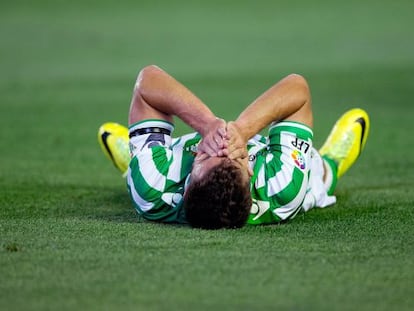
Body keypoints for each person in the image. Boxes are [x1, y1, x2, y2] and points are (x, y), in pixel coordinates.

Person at [98, 65, 370, 229]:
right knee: (317, 176)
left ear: (188, 182)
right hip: (301, 176)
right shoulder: (279, 186)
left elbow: (148, 80)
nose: (225, 145)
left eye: (206, 155)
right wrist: (243, 130)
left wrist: (206, 124)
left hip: (156, 177)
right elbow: (297, 89)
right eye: (239, 158)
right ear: (250, 174)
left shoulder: (156, 185)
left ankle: (137, 157)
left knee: (141, 178)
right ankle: (333, 160)